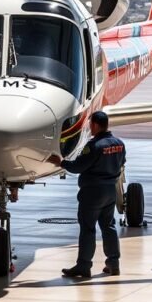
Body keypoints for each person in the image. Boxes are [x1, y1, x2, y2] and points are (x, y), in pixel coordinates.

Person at [48, 111, 126, 278]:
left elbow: (77, 167)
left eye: (91, 125)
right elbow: (122, 163)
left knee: (88, 229)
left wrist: (60, 162)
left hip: (93, 193)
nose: (90, 128)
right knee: (109, 227)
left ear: (96, 125)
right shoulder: (119, 144)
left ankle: (84, 266)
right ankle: (113, 263)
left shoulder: (94, 146)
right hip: (110, 191)